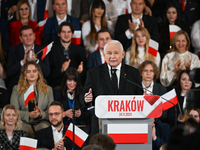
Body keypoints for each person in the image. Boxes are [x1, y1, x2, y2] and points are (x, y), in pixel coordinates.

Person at [81, 40, 143, 136]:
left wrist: (145, 98)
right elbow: (83, 96)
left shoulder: (133, 73)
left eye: (116, 53)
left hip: (126, 124)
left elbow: (139, 97)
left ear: (123, 54)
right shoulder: (94, 73)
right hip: (101, 125)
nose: (112, 56)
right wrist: (86, 98)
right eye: (109, 53)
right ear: (104, 55)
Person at [10, 61, 53, 138]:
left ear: (38, 73)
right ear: (24, 75)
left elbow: (52, 111)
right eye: (28, 71)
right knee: (26, 133)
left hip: (42, 121)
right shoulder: (16, 89)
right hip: (23, 122)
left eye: (34, 71)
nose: (32, 74)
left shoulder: (48, 89)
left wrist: (41, 114)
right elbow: (13, 111)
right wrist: (28, 115)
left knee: (44, 130)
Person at [7, 25, 50, 97]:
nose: (28, 38)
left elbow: (47, 72)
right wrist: (23, 62)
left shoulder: (43, 49)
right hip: (19, 86)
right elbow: (9, 72)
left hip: (39, 86)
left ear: (34, 36)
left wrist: (36, 61)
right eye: (25, 36)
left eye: (30, 35)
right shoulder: (13, 50)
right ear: (20, 38)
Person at [48, 22, 86, 89]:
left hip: (76, 87)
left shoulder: (80, 50)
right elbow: (48, 74)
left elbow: (85, 74)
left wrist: (80, 72)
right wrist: (61, 70)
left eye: (69, 32)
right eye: (63, 32)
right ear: (58, 34)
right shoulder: (51, 50)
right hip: (58, 87)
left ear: (72, 34)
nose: (66, 34)